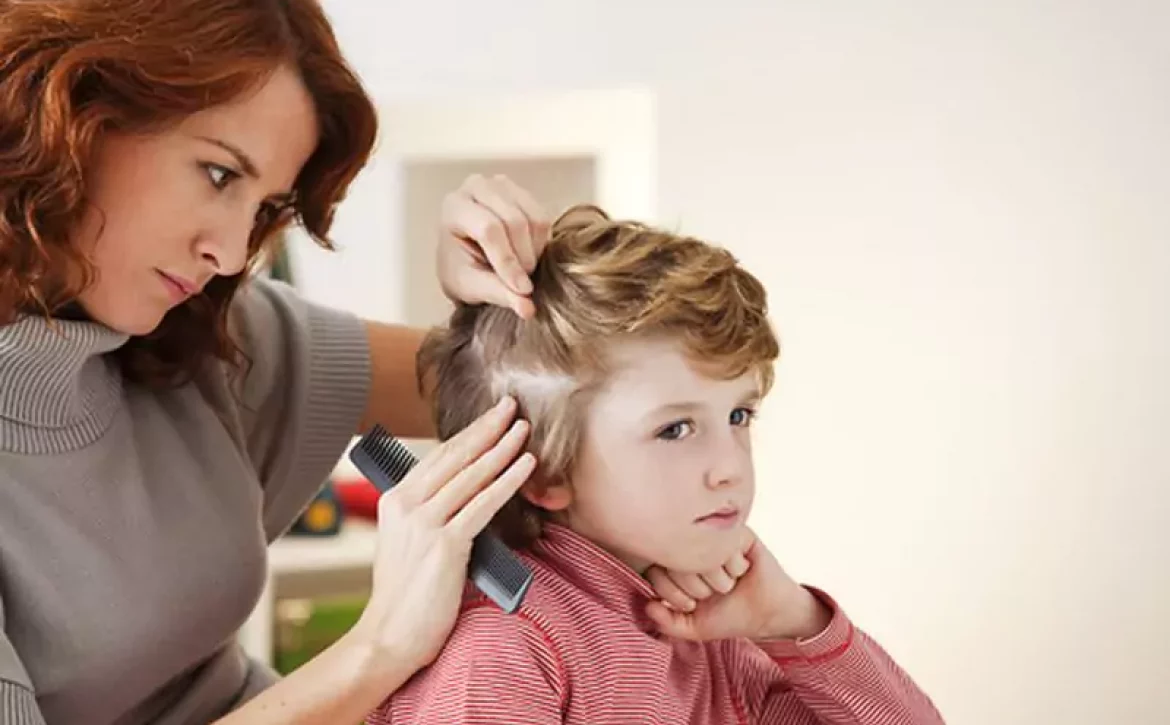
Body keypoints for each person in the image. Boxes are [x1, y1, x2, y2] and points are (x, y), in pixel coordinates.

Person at [0, 2, 726, 724]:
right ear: (73, 106)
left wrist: (490, 314)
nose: (228, 251)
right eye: (220, 174)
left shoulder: (198, 330)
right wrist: (380, 645)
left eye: (261, 209)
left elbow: (516, 396)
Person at [368, 205, 946, 724]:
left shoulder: (711, 629)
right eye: (674, 429)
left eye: (739, 417)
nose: (729, 468)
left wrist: (793, 619)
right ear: (545, 472)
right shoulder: (504, 651)